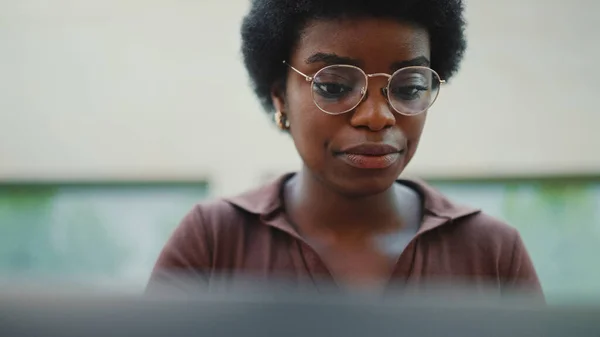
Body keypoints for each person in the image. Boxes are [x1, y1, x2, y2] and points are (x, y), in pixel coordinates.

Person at [148, 0, 543, 299]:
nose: (376, 117)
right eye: (334, 86)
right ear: (280, 97)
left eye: (408, 88)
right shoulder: (214, 241)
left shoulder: (490, 251)